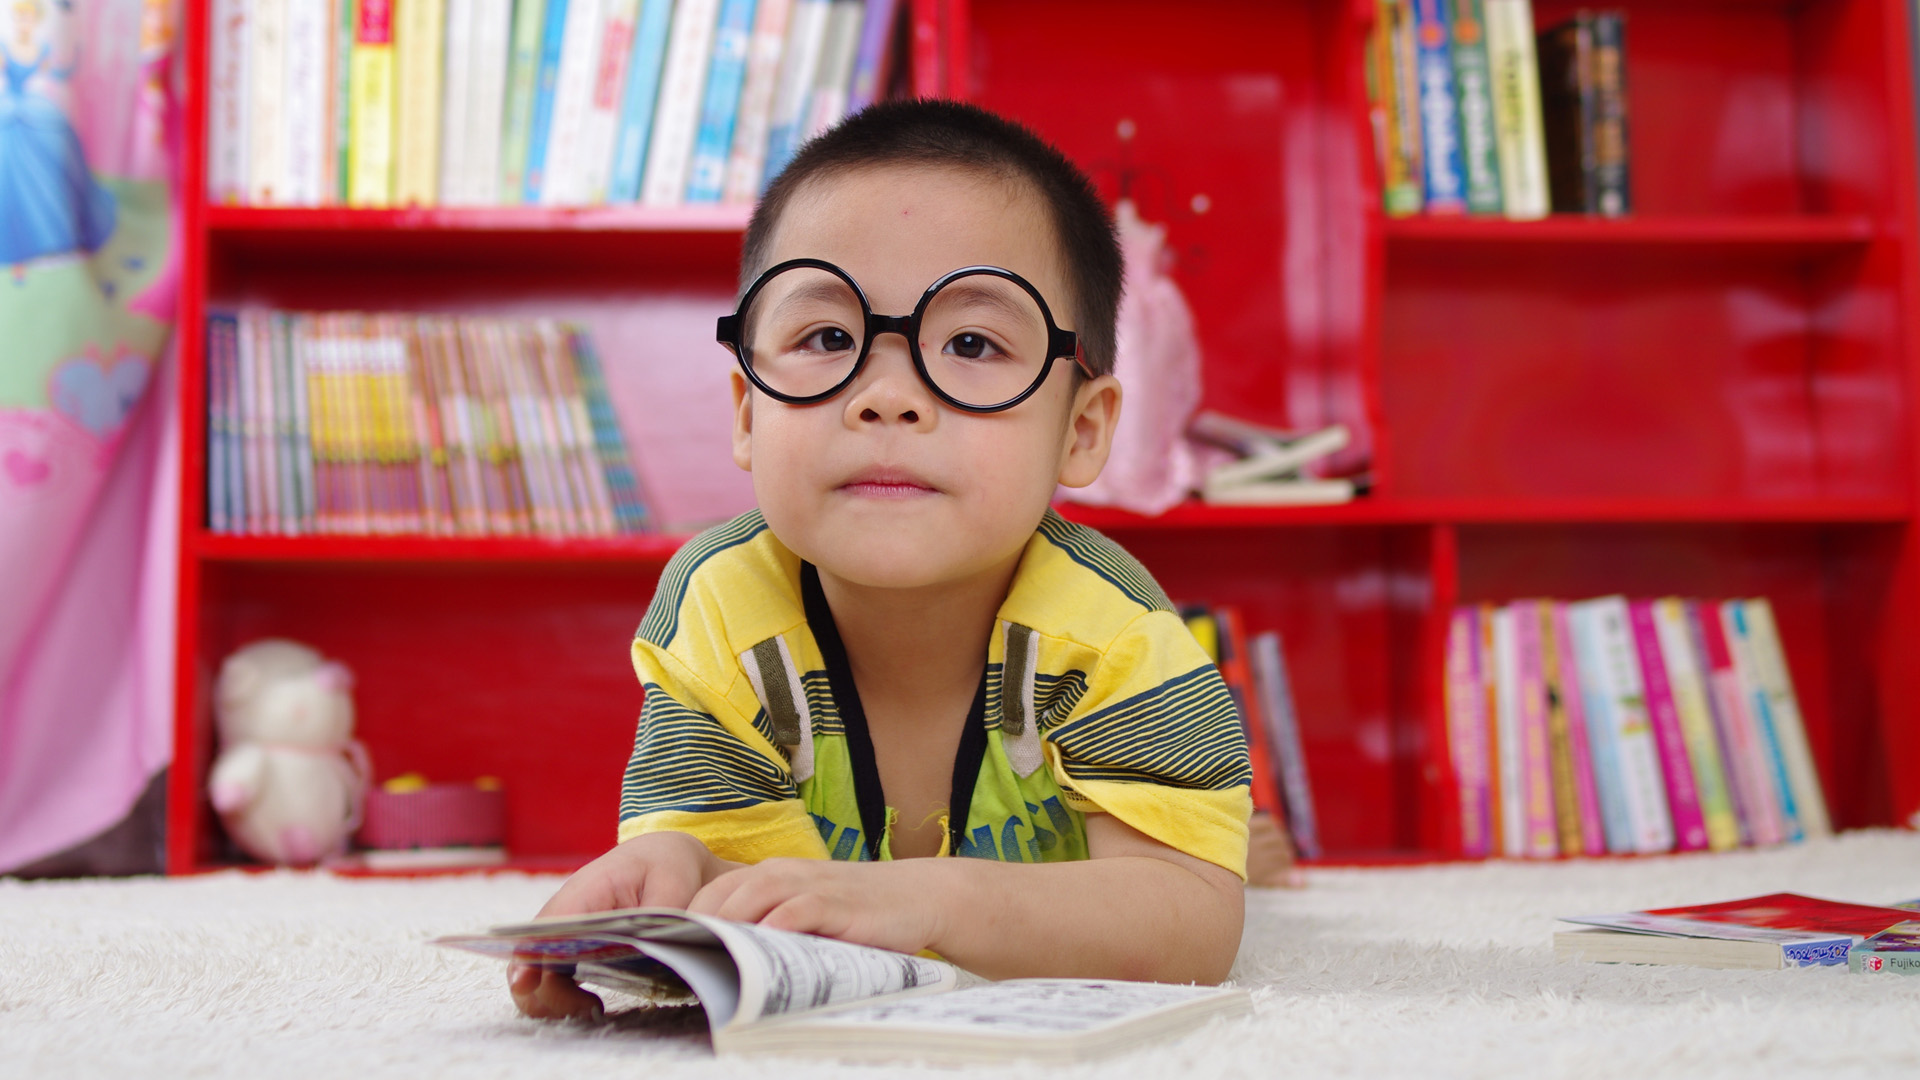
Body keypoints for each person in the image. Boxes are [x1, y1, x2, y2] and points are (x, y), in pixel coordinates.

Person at [513, 100, 1258, 1020]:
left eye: (974, 343)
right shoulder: (718, 608)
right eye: (829, 338)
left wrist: (931, 897)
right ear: (748, 413)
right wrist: (684, 872)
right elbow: (758, 890)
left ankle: (1247, 834)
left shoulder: (1113, 631)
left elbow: (1193, 922)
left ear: (1083, 429)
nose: (890, 397)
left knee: (1235, 856)